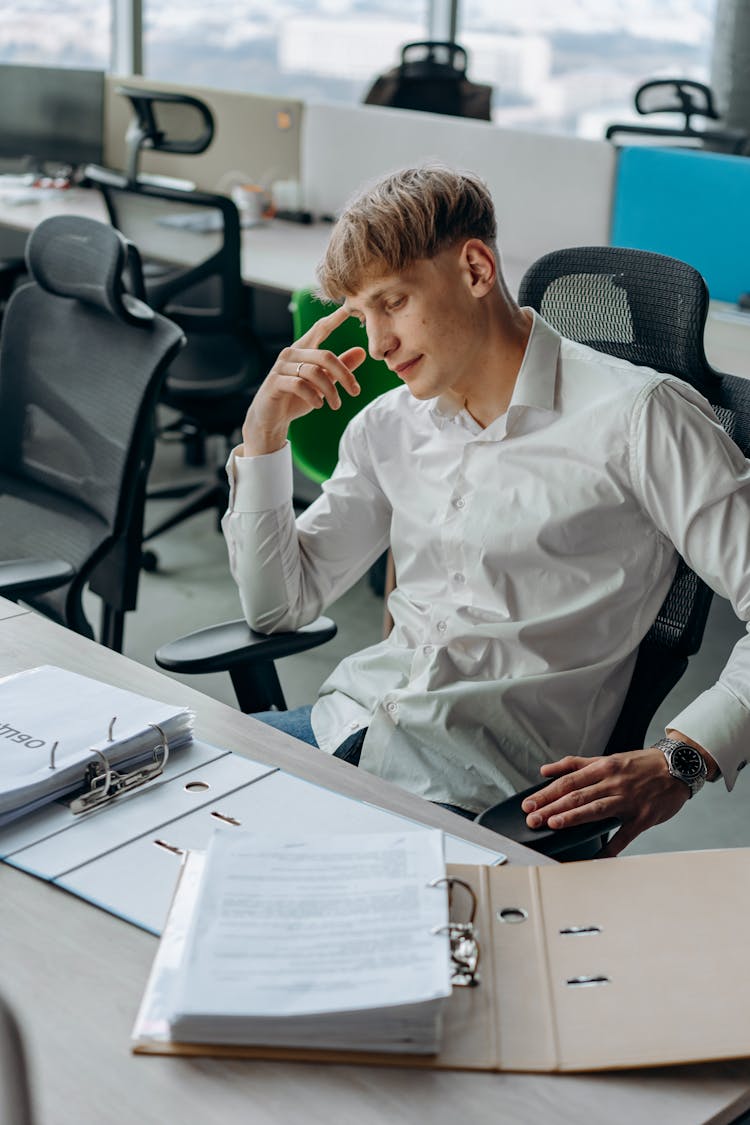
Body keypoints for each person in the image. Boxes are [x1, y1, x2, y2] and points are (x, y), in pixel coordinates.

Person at [222, 163, 750, 854]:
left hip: (479, 793)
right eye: (362, 315)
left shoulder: (639, 418)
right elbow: (277, 607)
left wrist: (685, 758)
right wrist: (261, 440)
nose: (377, 343)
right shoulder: (391, 426)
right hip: (341, 728)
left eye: (393, 302)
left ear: (474, 269)